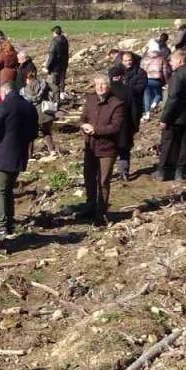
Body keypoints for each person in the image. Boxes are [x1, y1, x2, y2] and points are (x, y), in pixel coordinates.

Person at [0, 80, 38, 238]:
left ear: (5, 92)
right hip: (20, 153)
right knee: (8, 189)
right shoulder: (29, 106)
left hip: (4, 153)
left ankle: (1, 226)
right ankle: (10, 222)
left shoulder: (3, 106)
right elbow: (34, 133)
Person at [79, 75, 125, 225]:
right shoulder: (91, 100)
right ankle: (90, 206)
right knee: (89, 177)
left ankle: (101, 213)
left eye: (103, 84)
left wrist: (95, 130)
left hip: (107, 148)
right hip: (90, 146)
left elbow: (116, 127)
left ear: (109, 86)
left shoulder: (117, 104)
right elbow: (83, 118)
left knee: (103, 181)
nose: (100, 87)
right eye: (97, 84)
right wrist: (83, 126)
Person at [156, 51, 186, 182]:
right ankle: (179, 171)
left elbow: (173, 98)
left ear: (180, 61)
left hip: (175, 116)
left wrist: (165, 118)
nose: (170, 63)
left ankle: (162, 171)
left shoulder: (177, 76)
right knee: (184, 143)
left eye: (172, 61)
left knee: (168, 143)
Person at [108, 53, 145, 181]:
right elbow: (134, 110)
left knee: (110, 151)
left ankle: (107, 173)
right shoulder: (128, 91)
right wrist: (135, 125)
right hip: (126, 124)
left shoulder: (107, 91)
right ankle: (124, 173)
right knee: (124, 149)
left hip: (109, 126)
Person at [21, 72, 58, 156]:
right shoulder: (43, 85)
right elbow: (56, 88)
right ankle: (52, 150)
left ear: (27, 80)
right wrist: (56, 101)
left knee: (30, 135)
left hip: (32, 115)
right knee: (46, 132)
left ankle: (29, 155)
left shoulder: (24, 91)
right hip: (45, 113)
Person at [141, 50, 170, 118]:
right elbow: (165, 71)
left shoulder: (144, 59)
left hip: (146, 79)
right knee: (159, 95)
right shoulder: (161, 58)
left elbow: (141, 69)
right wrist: (167, 82)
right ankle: (152, 106)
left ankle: (147, 114)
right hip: (156, 79)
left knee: (146, 96)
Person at [46, 25, 70, 99]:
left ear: (54, 32)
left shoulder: (55, 41)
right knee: (62, 79)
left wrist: (47, 66)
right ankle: (62, 93)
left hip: (55, 66)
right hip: (64, 63)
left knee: (53, 82)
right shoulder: (65, 40)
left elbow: (52, 54)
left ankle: (54, 98)